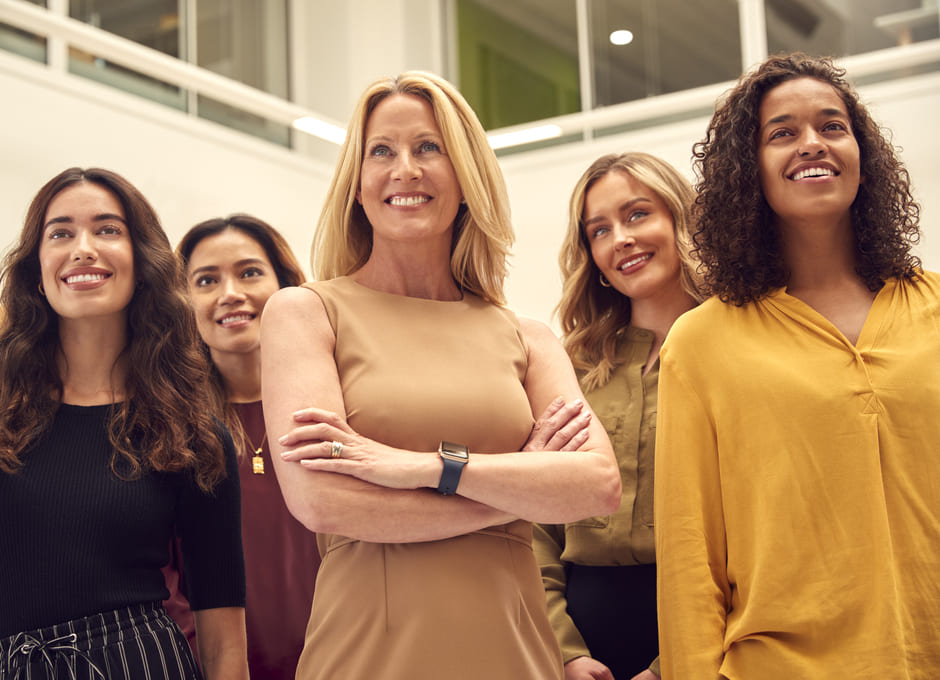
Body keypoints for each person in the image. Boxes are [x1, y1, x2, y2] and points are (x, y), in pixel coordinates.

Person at [259, 71, 622, 680]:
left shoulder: (527, 336)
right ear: (357, 181)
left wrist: (428, 468)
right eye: (382, 151)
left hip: (515, 649)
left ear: (466, 175)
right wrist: (515, 495)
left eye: (429, 147)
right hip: (368, 651)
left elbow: (595, 486)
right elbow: (322, 500)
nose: (405, 169)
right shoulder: (304, 312)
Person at [655, 53, 940, 679]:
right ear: (747, 169)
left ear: (863, 155)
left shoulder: (934, 306)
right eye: (781, 132)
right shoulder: (701, 343)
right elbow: (688, 556)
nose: (812, 143)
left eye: (832, 126)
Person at [0, 167, 247, 680]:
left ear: (144, 262)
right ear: (36, 268)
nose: (83, 248)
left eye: (108, 229)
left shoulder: (193, 432)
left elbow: (224, 636)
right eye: (61, 233)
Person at [535, 152, 703, 680]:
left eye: (637, 215)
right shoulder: (572, 367)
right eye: (599, 230)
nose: (620, 239)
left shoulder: (741, 351)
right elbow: (538, 522)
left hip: (700, 627)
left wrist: (671, 664)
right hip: (581, 636)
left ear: (681, 219)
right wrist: (565, 650)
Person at [161, 214, 321, 680]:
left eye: (249, 272)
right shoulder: (169, 431)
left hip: (344, 660)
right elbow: (161, 583)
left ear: (286, 288)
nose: (230, 293)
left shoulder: (333, 410)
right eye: (206, 280)